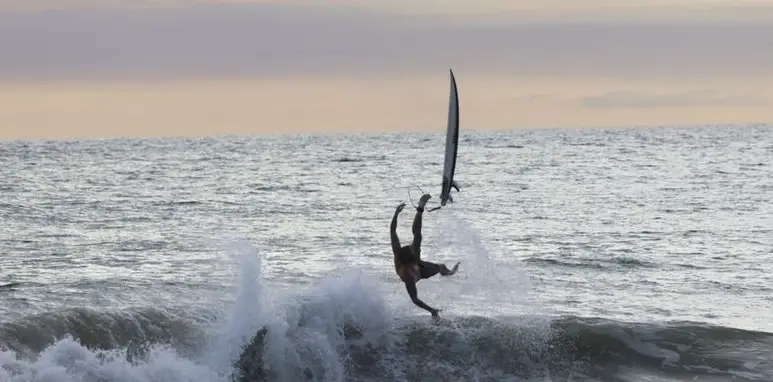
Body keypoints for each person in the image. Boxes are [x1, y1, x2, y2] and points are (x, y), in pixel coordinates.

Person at [390, 193, 460, 317]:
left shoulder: (410, 255)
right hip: (418, 273)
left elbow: (392, 230)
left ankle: (420, 209)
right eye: (416, 255)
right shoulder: (408, 278)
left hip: (419, 267)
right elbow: (415, 300)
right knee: (433, 262)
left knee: (440, 265)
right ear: (412, 262)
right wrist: (431, 310)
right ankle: (445, 272)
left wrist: (396, 213)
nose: (418, 252)